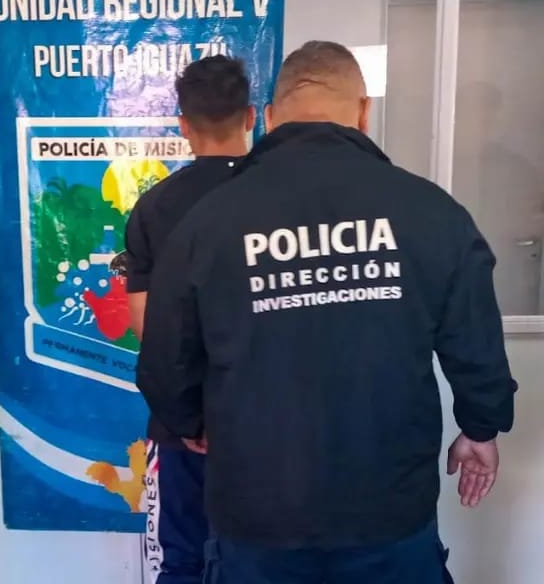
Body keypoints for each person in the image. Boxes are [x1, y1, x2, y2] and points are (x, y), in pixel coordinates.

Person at [137, 40, 517, 584]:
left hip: (257, 513)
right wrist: (481, 427)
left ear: (270, 117)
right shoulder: (431, 213)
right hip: (387, 511)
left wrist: (189, 422)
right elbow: (475, 342)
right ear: (363, 112)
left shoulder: (208, 223)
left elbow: (163, 357)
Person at [124, 55, 254, 584]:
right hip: (268, 425)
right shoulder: (283, 200)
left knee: (181, 562)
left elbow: (149, 328)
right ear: (251, 117)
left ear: (182, 124)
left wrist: (189, 420)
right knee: (263, 561)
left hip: (183, 429)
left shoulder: (154, 207)